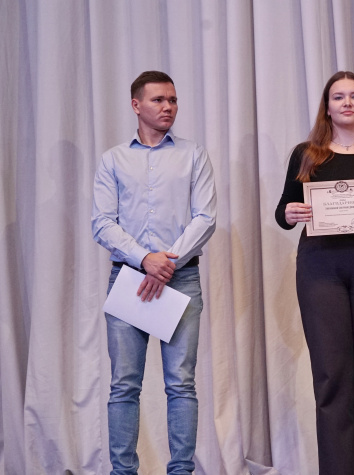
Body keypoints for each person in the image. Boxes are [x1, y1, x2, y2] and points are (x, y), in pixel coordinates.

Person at [275, 71, 354, 475]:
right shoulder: (306, 153)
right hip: (320, 270)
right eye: (338, 97)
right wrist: (290, 212)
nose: (347, 103)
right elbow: (283, 212)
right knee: (331, 377)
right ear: (327, 107)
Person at [91, 70, 217, 474]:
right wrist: (145, 258)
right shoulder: (113, 159)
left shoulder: (193, 154)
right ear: (136, 105)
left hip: (182, 279)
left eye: (173, 100)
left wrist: (167, 262)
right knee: (124, 386)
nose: (168, 107)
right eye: (159, 100)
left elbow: (205, 218)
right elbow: (102, 222)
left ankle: (181, 471)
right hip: (129, 279)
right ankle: (123, 471)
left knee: (180, 384)